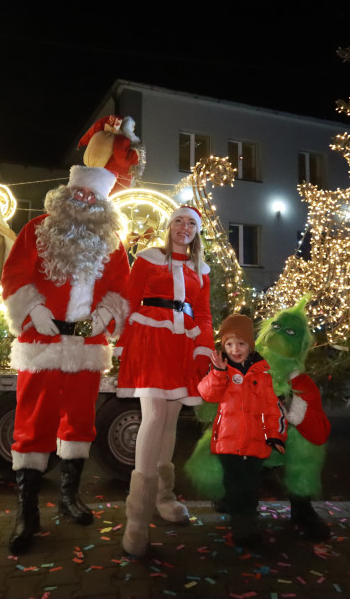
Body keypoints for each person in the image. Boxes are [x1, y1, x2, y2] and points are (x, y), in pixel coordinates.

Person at [0, 165, 130, 555]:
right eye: (79, 193)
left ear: (102, 203)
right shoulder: (37, 230)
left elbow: (121, 287)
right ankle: (27, 511)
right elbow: (14, 275)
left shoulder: (112, 242)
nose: (84, 201)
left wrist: (105, 315)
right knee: (32, 421)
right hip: (41, 341)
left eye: (92, 196)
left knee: (80, 420)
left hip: (86, 344)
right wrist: (33, 309)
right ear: (67, 193)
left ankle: (69, 498)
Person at [115, 205, 213, 556]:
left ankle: (163, 497)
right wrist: (122, 342)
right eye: (179, 221)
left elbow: (203, 312)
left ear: (197, 231)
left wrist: (203, 347)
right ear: (169, 225)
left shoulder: (201, 269)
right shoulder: (148, 258)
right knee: (154, 415)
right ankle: (137, 519)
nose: (184, 227)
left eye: (191, 224)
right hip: (150, 338)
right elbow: (129, 299)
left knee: (170, 420)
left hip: (182, 342)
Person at [198, 314, 286, 547]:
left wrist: (275, 434)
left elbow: (272, 406)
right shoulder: (222, 370)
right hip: (229, 441)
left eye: (241, 343)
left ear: (250, 345)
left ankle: (242, 512)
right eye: (229, 344)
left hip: (256, 442)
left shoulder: (262, 373)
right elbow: (208, 393)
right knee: (237, 483)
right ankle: (242, 527)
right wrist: (217, 373)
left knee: (250, 483)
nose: (235, 349)